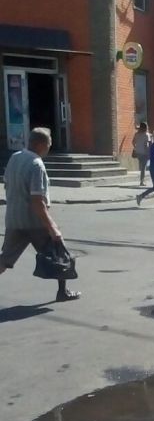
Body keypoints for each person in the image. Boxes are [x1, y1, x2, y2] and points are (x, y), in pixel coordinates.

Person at [0, 127, 80, 302]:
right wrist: (52, 228)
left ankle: (63, 291)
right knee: (60, 252)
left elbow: (7, 185)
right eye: (48, 144)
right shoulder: (37, 164)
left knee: (4, 259)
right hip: (35, 223)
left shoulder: (15, 157)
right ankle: (62, 292)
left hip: (14, 219)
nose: (49, 148)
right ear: (39, 144)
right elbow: (38, 201)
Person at [132, 121, 150, 187]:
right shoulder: (146, 135)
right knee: (143, 168)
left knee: (142, 167)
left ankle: (142, 180)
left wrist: (136, 147)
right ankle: (142, 181)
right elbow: (147, 145)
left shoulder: (136, 134)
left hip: (138, 152)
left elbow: (133, 142)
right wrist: (148, 152)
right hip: (144, 153)